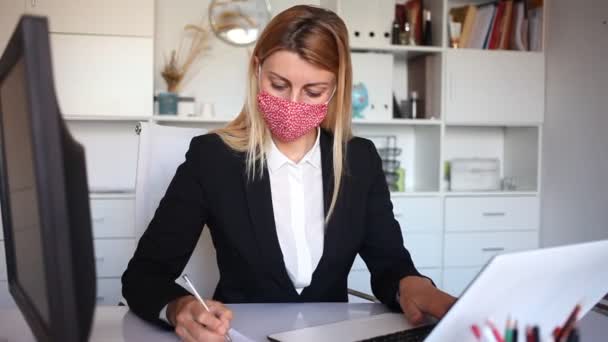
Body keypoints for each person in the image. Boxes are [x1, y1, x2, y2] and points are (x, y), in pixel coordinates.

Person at [122, 5, 456, 342]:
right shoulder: (212, 158)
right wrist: (180, 309)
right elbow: (143, 275)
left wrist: (414, 287)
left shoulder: (360, 159)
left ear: (337, 88)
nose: (293, 103)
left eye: (313, 92)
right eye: (279, 84)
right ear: (257, 70)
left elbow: (391, 266)